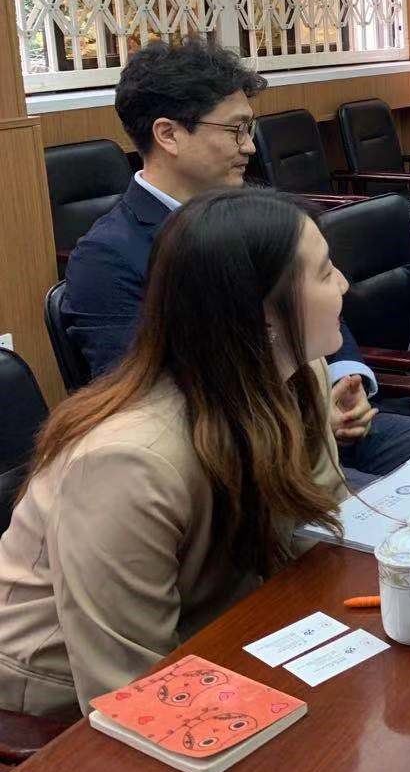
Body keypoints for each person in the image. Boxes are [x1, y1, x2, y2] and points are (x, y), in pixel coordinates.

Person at [0, 189, 349, 717]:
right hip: (55, 697)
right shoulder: (126, 463)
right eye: (324, 273)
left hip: (217, 634)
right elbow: (129, 690)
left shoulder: (301, 374)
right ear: (262, 315)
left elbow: (316, 532)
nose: (344, 284)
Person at [61, 38, 410, 482]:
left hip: (336, 425)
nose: (249, 147)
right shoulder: (107, 258)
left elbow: (315, 298)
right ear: (168, 134)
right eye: (236, 130)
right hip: (240, 464)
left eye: (250, 129)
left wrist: (345, 381)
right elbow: (145, 398)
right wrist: (297, 418)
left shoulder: (258, 209)